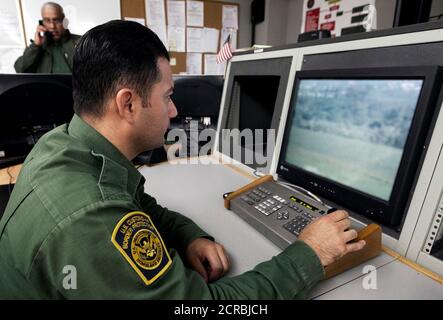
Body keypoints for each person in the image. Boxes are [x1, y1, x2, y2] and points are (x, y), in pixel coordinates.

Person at [0, 20, 365, 299]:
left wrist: (188, 236)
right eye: (167, 96)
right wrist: (309, 255)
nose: (174, 110)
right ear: (127, 104)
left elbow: (137, 204)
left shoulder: (63, 144)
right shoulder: (89, 217)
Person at [14, 2, 81, 73]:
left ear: (64, 21)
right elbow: (20, 70)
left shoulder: (80, 43)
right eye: (47, 20)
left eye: (56, 20)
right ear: (42, 23)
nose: (52, 26)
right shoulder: (38, 48)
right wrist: (36, 46)